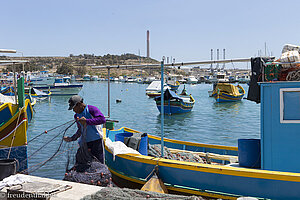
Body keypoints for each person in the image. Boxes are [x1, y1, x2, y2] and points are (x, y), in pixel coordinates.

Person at [63, 95, 106, 164]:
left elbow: (102, 119)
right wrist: (72, 138)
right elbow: (80, 129)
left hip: (96, 141)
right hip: (85, 142)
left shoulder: (91, 109)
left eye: (74, 108)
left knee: (98, 163)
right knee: (83, 163)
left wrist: (87, 121)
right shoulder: (76, 116)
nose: (74, 110)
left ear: (80, 104)